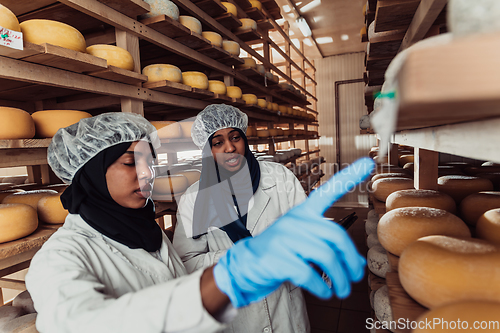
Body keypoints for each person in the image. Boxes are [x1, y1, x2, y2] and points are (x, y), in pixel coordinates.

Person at [25, 111, 374, 333]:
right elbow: (80, 323)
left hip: (284, 308)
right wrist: (236, 268)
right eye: (132, 163)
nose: (148, 175)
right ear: (93, 174)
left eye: (151, 162)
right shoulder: (58, 259)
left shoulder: (146, 232)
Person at [172, 104, 309, 332]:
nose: (229, 147)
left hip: (285, 307)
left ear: (245, 139)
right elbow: (186, 262)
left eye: (235, 137)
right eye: (218, 142)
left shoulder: (280, 177)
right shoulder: (194, 200)